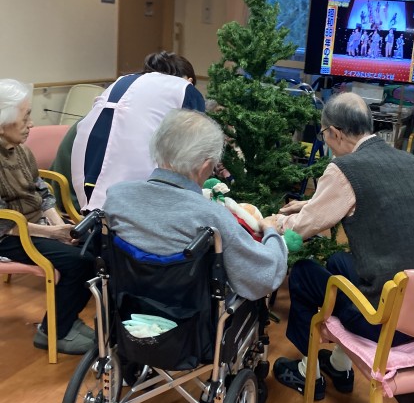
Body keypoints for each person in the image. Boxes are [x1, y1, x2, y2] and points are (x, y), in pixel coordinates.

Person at [262, 92, 414, 403]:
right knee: (338, 261)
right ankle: (339, 366)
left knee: (303, 273)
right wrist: (310, 205)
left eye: (324, 134)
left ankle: (309, 374)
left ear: (334, 132)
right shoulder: (408, 161)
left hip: (385, 322)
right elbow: (377, 201)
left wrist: (269, 222)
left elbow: (301, 229)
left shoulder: (346, 168)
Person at [103, 109, 288, 301]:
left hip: (125, 308)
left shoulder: (117, 196)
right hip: (188, 315)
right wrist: (271, 232)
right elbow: (262, 279)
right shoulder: (213, 216)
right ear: (205, 166)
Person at [0, 79, 95, 354]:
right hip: (8, 236)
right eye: (25, 117)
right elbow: (4, 223)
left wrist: (60, 225)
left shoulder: (21, 151)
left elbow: (41, 192)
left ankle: (66, 319)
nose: (31, 124)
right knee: (79, 261)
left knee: (96, 244)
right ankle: (54, 330)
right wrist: (53, 234)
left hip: (33, 227)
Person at [71, 51, 205, 211]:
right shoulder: (184, 89)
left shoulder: (123, 80)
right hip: (133, 176)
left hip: (85, 166)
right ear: (189, 80)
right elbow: (193, 149)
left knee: (101, 212)